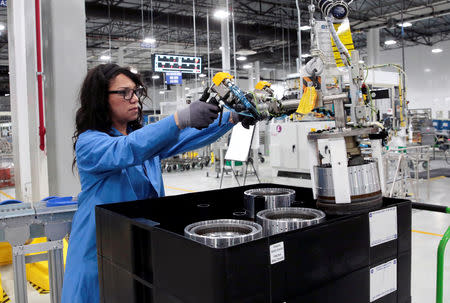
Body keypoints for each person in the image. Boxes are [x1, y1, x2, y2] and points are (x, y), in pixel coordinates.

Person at [61, 64, 254, 302]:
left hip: (135, 247)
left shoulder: (144, 140)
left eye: (136, 91)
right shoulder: (89, 143)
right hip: (96, 252)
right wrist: (179, 119)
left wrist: (232, 117)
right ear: (101, 99)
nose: (134, 99)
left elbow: (184, 136)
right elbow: (128, 149)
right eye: (124, 93)